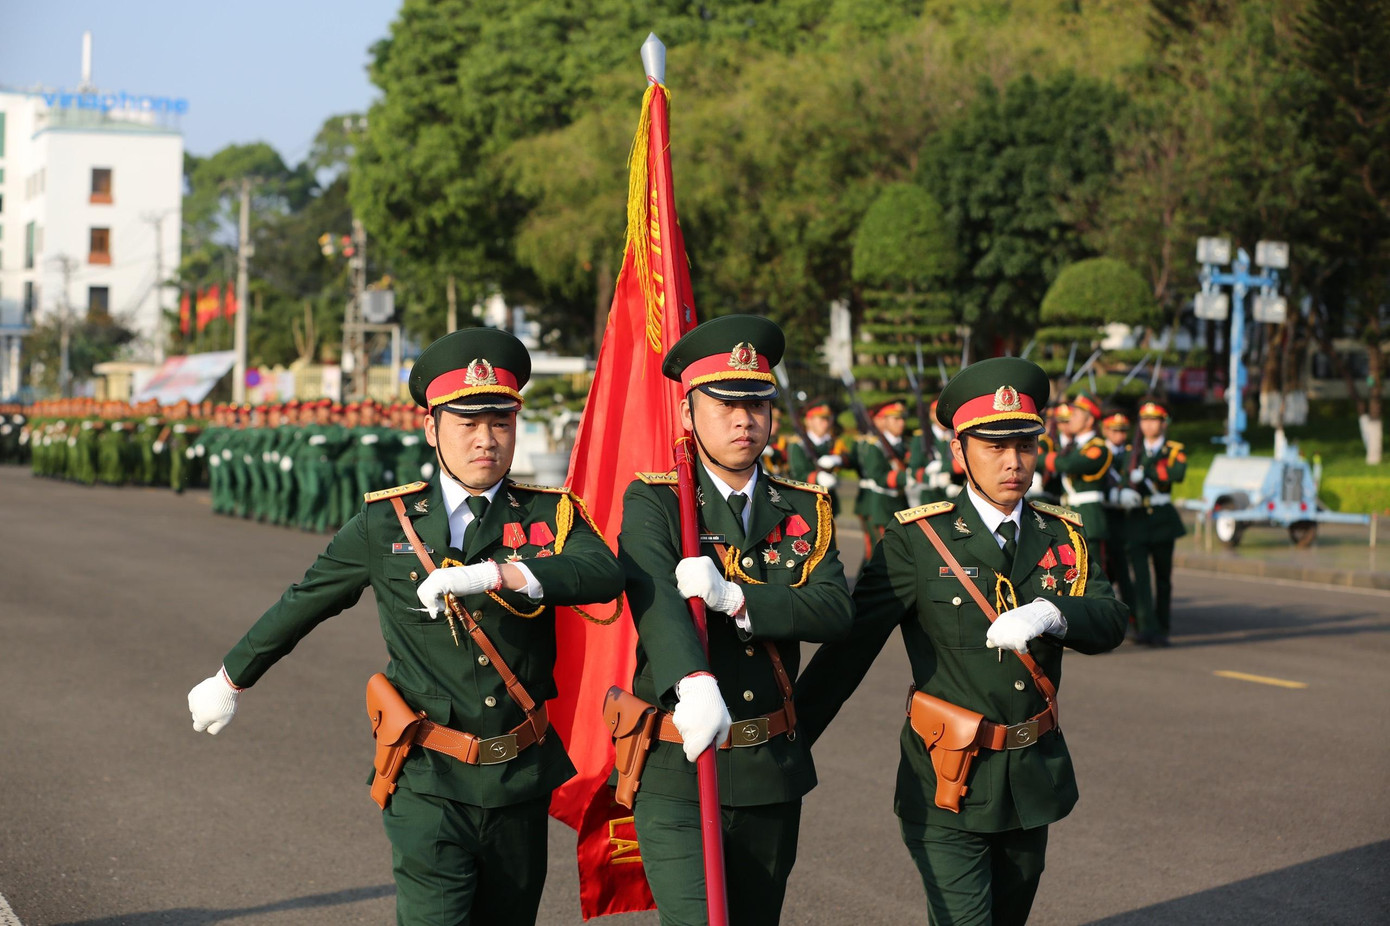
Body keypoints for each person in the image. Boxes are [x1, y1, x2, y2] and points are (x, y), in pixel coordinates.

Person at [186, 327, 625, 926]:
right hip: (428, 776)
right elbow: (306, 600)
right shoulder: (387, 522)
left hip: (519, 776)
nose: (486, 439)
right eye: (467, 423)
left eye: (500, 422)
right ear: (431, 428)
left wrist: (502, 573)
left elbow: (604, 573)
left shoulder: (552, 513)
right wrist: (230, 678)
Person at [797, 357, 1128, 926]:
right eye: (994, 446)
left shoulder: (1062, 533)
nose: (1013, 461)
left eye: (1025, 445)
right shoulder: (918, 540)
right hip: (946, 779)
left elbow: (1110, 619)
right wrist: (788, 741)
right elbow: (849, 651)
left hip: (1030, 777)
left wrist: (1052, 612)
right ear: (959, 452)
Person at [616, 314, 853, 926]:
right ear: (688, 414)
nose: (743, 420)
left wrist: (737, 599)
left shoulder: (803, 509)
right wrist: (692, 680)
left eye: (756, 404)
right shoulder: (657, 500)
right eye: (724, 405)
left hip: (769, 767)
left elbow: (834, 610)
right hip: (679, 764)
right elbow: (655, 601)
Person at [1124, 398, 1187, 647]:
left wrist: (1147, 472)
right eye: (1145, 420)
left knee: (1163, 578)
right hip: (1137, 519)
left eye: (1154, 420)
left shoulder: (1173, 450)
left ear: (1164, 423)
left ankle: (1162, 627)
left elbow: (1177, 474)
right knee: (1140, 577)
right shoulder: (1133, 451)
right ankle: (1145, 626)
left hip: (1162, 519)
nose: (1149, 425)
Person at [856, 399, 910, 553]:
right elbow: (878, 476)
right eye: (896, 419)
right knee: (881, 554)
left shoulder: (904, 444)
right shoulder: (875, 445)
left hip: (900, 503)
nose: (901, 423)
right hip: (881, 506)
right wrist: (908, 477)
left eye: (902, 418)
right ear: (884, 421)